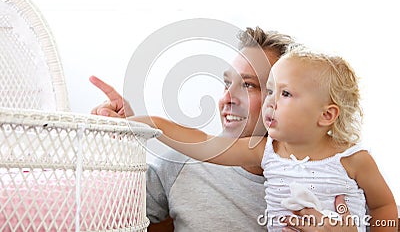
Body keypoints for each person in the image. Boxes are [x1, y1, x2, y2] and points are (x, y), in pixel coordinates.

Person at [129, 47, 398, 231]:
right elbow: (204, 143)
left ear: (326, 114)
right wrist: (148, 122)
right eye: (270, 91)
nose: (272, 102)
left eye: (285, 94)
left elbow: (384, 206)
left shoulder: (353, 160)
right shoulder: (266, 150)